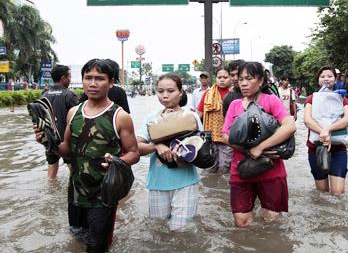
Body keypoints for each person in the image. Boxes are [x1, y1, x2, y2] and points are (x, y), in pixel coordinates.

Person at [34, 59, 140, 252]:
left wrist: (116, 162)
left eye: (99, 78)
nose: (92, 83)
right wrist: (48, 142)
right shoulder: (74, 112)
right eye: (88, 78)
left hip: (103, 194)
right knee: (77, 236)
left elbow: (134, 153)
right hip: (75, 192)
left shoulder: (120, 116)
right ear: (82, 80)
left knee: (96, 246)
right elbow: (66, 148)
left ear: (111, 82)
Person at [222, 62, 296, 227]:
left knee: (272, 221)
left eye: (249, 78)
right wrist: (248, 150)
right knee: (242, 222)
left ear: (261, 81)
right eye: (240, 79)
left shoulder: (271, 101)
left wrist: (260, 148)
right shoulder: (234, 105)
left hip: (272, 171)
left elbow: (290, 126)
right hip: (241, 170)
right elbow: (225, 135)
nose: (243, 83)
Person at [136, 73, 202, 231]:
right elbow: (136, 147)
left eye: (170, 91)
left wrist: (184, 152)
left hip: (186, 183)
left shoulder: (191, 116)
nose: (165, 95)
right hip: (157, 184)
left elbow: (203, 150)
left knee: (180, 232)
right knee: (158, 232)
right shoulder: (151, 119)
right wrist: (156, 146)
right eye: (160, 91)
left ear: (180, 92)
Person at [303, 66, 348, 195]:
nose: (326, 79)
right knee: (322, 193)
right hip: (317, 149)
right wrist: (323, 132)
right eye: (322, 76)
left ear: (335, 80)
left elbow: (347, 120)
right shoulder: (311, 99)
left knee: (338, 193)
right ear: (318, 80)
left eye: (330, 76)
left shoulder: (343, 99)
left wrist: (327, 130)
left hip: (338, 150)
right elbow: (307, 120)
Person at [42, 64, 79, 178]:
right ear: (63, 78)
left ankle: (51, 192)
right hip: (66, 140)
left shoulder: (44, 94)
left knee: (52, 166)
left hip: (49, 137)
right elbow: (78, 117)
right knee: (73, 168)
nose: (70, 79)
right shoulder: (69, 95)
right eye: (69, 77)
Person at [197, 66, 233, 173]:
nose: (222, 79)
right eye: (219, 77)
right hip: (210, 138)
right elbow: (199, 113)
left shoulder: (234, 94)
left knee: (225, 168)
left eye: (225, 77)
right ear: (215, 78)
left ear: (231, 78)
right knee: (210, 168)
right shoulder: (208, 94)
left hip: (228, 140)